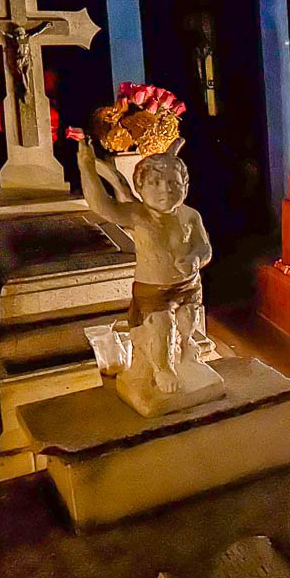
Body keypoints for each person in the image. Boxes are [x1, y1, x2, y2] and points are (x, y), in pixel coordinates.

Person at [77, 137, 212, 393]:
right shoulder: (137, 215)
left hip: (188, 285)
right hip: (154, 290)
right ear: (140, 187)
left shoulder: (190, 216)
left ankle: (187, 348)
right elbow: (101, 205)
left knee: (188, 320)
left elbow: (204, 248)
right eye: (155, 183)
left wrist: (195, 258)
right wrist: (86, 167)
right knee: (161, 327)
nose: (165, 190)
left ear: (185, 185)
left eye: (174, 183)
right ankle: (163, 368)